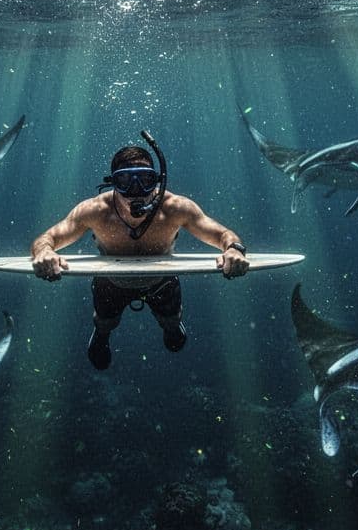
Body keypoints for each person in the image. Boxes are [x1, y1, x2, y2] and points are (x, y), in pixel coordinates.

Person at [30, 131, 249, 370]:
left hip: (161, 280)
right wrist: (44, 253)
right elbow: (47, 238)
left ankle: (172, 326)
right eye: (125, 181)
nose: (137, 190)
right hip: (112, 281)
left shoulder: (175, 208)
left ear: (157, 180)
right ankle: (102, 335)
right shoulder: (94, 211)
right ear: (113, 183)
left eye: (145, 180)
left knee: (171, 322)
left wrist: (234, 250)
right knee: (105, 323)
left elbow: (223, 235)